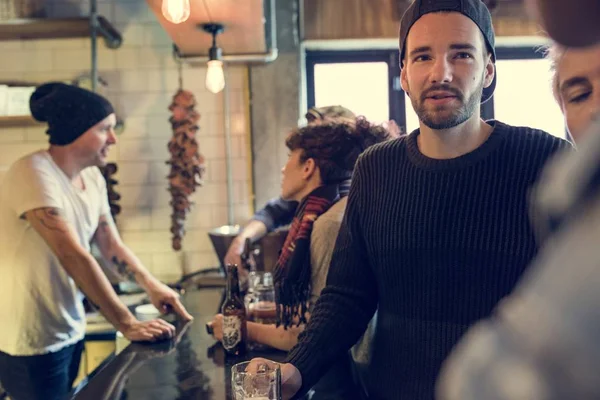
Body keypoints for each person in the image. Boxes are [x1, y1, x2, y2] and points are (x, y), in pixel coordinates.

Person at [251, 0, 572, 399]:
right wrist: (296, 368)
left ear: (489, 69)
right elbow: (347, 297)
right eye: (423, 56)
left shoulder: (546, 161)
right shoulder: (375, 169)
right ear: (403, 73)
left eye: (462, 54)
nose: (441, 73)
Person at [436, 8, 600, 400]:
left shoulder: (551, 173)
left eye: (462, 54)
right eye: (579, 94)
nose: (596, 109)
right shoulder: (562, 200)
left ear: (488, 70)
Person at [0, 83, 193, 400]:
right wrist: (127, 323)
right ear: (77, 131)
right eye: (105, 129)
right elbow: (72, 254)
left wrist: (152, 285)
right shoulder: (32, 173)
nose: (114, 139)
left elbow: (110, 245)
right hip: (29, 340)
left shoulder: (91, 177)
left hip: (68, 328)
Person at [209, 118, 391, 399]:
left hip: (349, 378)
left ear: (308, 167)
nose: (283, 168)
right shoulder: (330, 207)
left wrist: (242, 329)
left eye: (289, 159)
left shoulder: (329, 223)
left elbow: (311, 331)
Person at [223, 105, 358, 269]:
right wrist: (240, 242)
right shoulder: (313, 201)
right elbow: (273, 212)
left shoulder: (335, 217)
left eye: (320, 136)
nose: (311, 144)